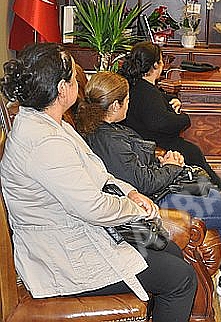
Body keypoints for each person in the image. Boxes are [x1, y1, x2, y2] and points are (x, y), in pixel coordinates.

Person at [0, 43, 196, 321]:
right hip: (61, 258)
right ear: (62, 89)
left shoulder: (49, 122)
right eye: (73, 77)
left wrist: (130, 193)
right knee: (181, 278)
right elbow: (93, 208)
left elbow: (98, 173)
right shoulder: (44, 143)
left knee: (169, 248)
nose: (78, 83)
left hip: (82, 231)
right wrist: (136, 210)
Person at [74, 71, 221, 298]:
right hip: (153, 201)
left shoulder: (105, 128)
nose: (129, 105)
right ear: (115, 105)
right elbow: (142, 184)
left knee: (213, 195)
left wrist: (162, 162)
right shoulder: (109, 139)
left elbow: (133, 169)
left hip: (156, 190)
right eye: (127, 100)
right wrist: (171, 167)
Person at [119, 42, 221, 200]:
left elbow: (158, 99)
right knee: (192, 151)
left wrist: (172, 100)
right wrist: (184, 119)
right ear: (156, 65)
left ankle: (220, 188)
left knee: (192, 151)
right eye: (162, 60)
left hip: (140, 135)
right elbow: (161, 122)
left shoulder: (135, 84)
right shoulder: (147, 92)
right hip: (152, 141)